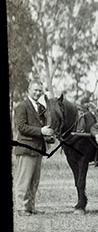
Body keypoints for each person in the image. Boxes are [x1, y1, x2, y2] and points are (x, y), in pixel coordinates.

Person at [13, 81, 55, 215]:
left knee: (34, 181)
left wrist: (48, 135)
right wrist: (41, 131)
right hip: (26, 148)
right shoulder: (22, 106)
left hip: (38, 149)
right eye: (35, 90)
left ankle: (30, 207)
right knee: (24, 180)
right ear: (28, 90)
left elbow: (44, 126)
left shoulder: (41, 107)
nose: (37, 93)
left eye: (39, 91)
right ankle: (21, 208)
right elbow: (21, 127)